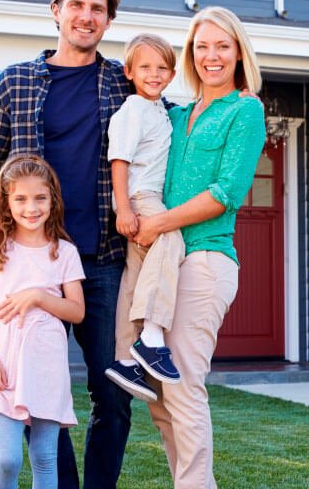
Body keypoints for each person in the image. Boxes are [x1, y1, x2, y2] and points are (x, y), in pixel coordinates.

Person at [0, 0, 140, 488]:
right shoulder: (12, 82)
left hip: (103, 258)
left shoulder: (123, 85)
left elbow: (165, 130)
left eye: (97, 9)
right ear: (56, 11)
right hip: (32, 261)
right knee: (38, 388)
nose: (86, 16)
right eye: (77, 6)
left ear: (108, 21)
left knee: (112, 389)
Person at [130, 6, 266, 489]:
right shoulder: (177, 114)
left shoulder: (245, 110)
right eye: (202, 46)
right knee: (160, 396)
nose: (211, 56)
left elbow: (226, 192)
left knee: (183, 386)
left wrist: (158, 223)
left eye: (222, 46)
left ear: (237, 54)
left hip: (205, 260)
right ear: (190, 54)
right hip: (164, 263)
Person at [0, 155, 85, 489]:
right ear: (6, 202)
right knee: (8, 459)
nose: (31, 207)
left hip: (46, 366)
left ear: (52, 200)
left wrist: (37, 296)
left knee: (45, 459)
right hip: (2, 364)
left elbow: (76, 311)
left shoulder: (64, 252)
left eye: (39, 198)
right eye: (20, 199)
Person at [104, 33, 185, 400]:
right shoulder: (134, 108)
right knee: (171, 239)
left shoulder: (160, 110)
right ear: (130, 71)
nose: (154, 74)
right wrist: (124, 207)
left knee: (135, 274)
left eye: (162, 68)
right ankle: (152, 335)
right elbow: (119, 159)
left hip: (142, 198)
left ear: (171, 73)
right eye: (145, 67)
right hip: (140, 196)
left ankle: (124, 358)